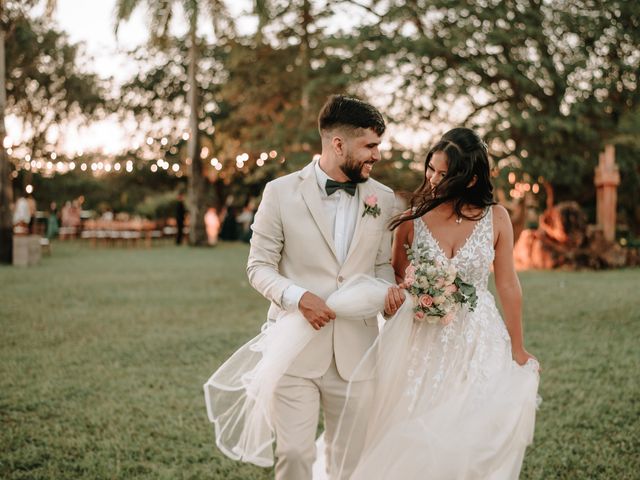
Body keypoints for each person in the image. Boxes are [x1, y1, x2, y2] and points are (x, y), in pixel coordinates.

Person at [206, 95, 396, 480]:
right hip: (295, 348)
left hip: (356, 352)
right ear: (337, 143)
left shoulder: (384, 198)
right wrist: (298, 297)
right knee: (294, 455)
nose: (377, 155)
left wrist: (388, 297)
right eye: (370, 146)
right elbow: (258, 266)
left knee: (350, 461)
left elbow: (380, 266)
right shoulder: (279, 193)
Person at [332, 127, 540, 479]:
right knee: (413, 427)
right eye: (431, 169)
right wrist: (411, 293)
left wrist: (517, 348)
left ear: (471, 179)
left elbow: (507, 284)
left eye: (445, 174)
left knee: (471, 430)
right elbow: (396, 276)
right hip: (420, 341)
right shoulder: (413, 219)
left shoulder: (498, 218)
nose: (433, 179)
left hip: (478, 338)